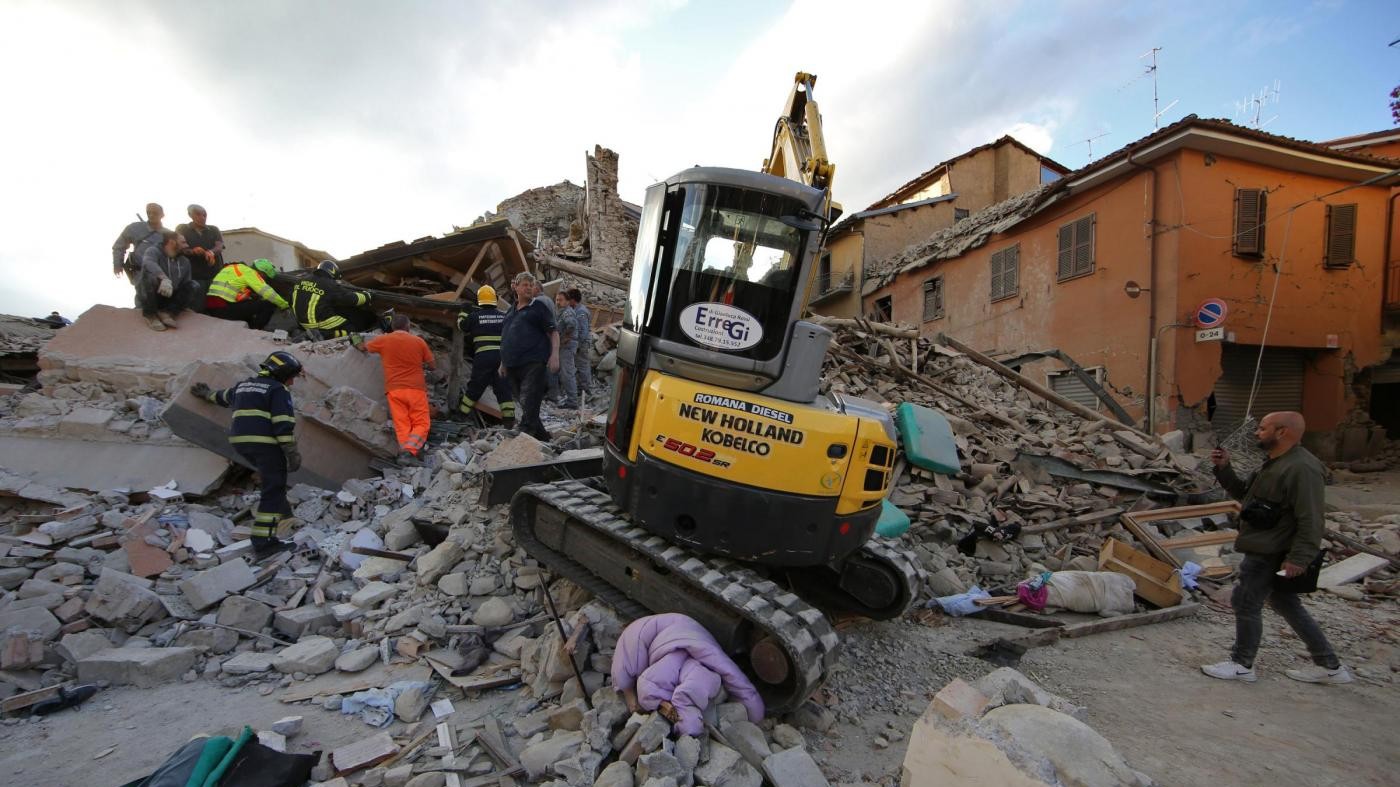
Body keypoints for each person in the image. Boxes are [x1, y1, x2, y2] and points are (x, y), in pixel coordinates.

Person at [1201, 411, 1352, 684]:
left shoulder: (1302, 468)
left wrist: (1300, 558)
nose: (1257, 433)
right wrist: (1225, 468)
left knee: (1245, 602)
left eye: (1262, 428)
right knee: (1286, 603)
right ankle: (1330, 666)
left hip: (1272, 551)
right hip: (1266, 546)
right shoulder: (1273, 464)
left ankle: (1242, 664)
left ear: (1281, 432)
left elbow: (1311, 518)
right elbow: (1245, 495)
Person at [190, 351, 304, 558]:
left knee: (273, 482)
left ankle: (286, 515)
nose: (292, 383)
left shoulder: (245, 386)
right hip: (265, 443)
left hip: (241, 443)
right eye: (291, 377)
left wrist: (206, 394)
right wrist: (292, 452)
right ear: (282, 374)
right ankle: (264, 543)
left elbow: (222, 397)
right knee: (273, 489)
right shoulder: (278, 389)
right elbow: (283, 423)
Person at [611, 613, 765, 736]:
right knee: (629, 674)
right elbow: (648, 685)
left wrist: (754, 712)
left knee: (631, 677)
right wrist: (755, 713)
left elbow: (648, 686)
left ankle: (755, 710)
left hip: (680, 632)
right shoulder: (678, 671)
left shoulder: (698, 678)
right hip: (678, 631)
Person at [356, 314, 437, 465]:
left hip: (394, 389)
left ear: (393, 327)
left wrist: (356, 341)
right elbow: (432, 366)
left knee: (402, 423)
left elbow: (363, 348)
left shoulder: (383, 340)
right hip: (415, 388)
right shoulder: (418, 341)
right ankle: (410, 452)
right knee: (421, 423)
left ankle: (405, 455)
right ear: (408, 327)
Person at [499, 271, 559, 442]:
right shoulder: (511, 311)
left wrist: (555, 356)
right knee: (526, 404)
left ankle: (524, 430)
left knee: (530, 397)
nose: (528, 288)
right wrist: (502, 363)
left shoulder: (538, 307)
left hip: (534, 362)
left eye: (531, 285)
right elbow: (506, 337)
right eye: (525, 284)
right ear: (515, 287)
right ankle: (542, 437)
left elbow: (553, 332)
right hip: (512, 364)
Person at [453, 285, 515, 426]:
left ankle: (461, 414)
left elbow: (461, 326)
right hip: (502, 358)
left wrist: (464, 311)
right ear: (495, 299)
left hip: (483, 357)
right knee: (503, 388)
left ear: (478, 300)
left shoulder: (475, 316)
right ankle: (509, 420)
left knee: (476, 386)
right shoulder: (503, 316)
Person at [292, 260, 377, 338]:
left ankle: (307, 332)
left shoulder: (302, 280)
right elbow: (352, 299)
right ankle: (323, 334)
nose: (335, 281)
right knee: (351, 328)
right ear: (332, 272)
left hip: (301, 322)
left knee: (336, 311)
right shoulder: (329, 284)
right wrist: (368, 296)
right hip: (316, 323)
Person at [137, 229, 197, 331]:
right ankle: (150, 315)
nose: (187, 245)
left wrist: (182, 303)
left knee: (193, 285)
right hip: (152, 296)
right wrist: (164, 279)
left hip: (169, 297)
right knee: (149, 276)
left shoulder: (185, 261)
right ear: (172, 242)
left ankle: (168, 313)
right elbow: (148, 263)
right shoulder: (153, 251)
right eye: (183, 242)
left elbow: (185, 283)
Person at [205, 258, 289, 329]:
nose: (263, 279)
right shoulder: (250, 273)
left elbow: (231, 288)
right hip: (223, 309)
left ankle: (248, 326)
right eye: (264, 277)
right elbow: (267, 292)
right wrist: (284, 305)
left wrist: (252, 296)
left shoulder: (234, 268)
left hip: (212, 307)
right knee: (268, 304)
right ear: (262, 273)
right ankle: (255, 330)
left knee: (250, 304)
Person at [175, 203, 224, 297]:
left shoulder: (214, 229)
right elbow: (180, 247)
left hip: (214, 275)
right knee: (197, 304)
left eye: (204, 215)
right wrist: (193, 251)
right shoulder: (182, 228)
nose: (202, 217)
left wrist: (211, 252)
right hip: (193, 276)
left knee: (215, 304)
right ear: (190, 215)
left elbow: (220, 246)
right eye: (198, 214)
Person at [111, 203, 164, 283]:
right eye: (148, 212)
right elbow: (119, 246)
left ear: (162, 215)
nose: (151, 215)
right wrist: (117, 264)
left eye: (155, 213)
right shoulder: (134, 228)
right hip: (140, 275)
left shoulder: (168, 234)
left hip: (162, 277)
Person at [550, 290, 579, 409]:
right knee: (563, 373)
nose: (558, 302)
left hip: (567, 347)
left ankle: (572, 402)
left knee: (567, 374)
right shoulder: (561, 312)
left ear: (567, 301)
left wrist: (565, 338)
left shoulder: (567, 312)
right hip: (563, 346)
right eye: (556, 300)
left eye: (560, 300)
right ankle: (569, 398)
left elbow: (571, 325)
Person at [566, 288, 593, 393]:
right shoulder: (576, 310)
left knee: (582, 365)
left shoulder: (581, 312)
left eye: (569, 300)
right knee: (580, 365)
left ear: (573, 300)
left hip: (582, 344)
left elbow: (583, 331)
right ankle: (582, 386)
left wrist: (577, 345)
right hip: (579, 343)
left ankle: (585, 388)